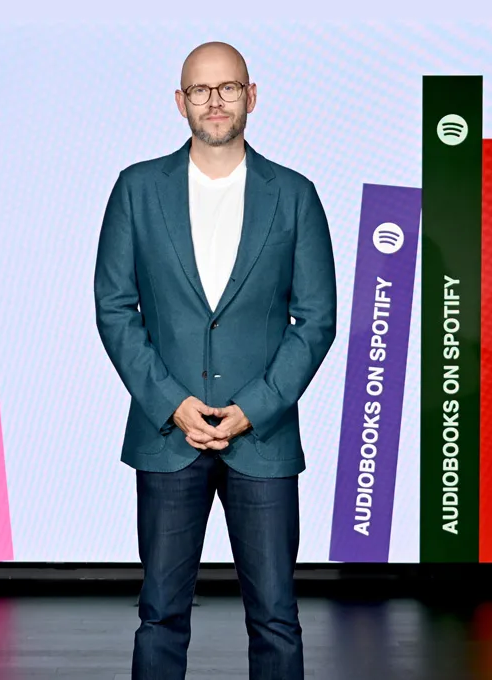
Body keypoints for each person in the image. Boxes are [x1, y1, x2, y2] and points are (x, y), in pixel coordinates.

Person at [93, 40, 338, 679]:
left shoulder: (295, 195)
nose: (215, 101)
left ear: (251, 96)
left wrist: (253, 408)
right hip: (168, 434)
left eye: (228, 87)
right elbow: (115, 309)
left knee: (276, 617)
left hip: (262, 437)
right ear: (181, 102)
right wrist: (172, 404)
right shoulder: (137, 189)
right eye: (200, 90)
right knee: (160, 613)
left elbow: (316, 320)